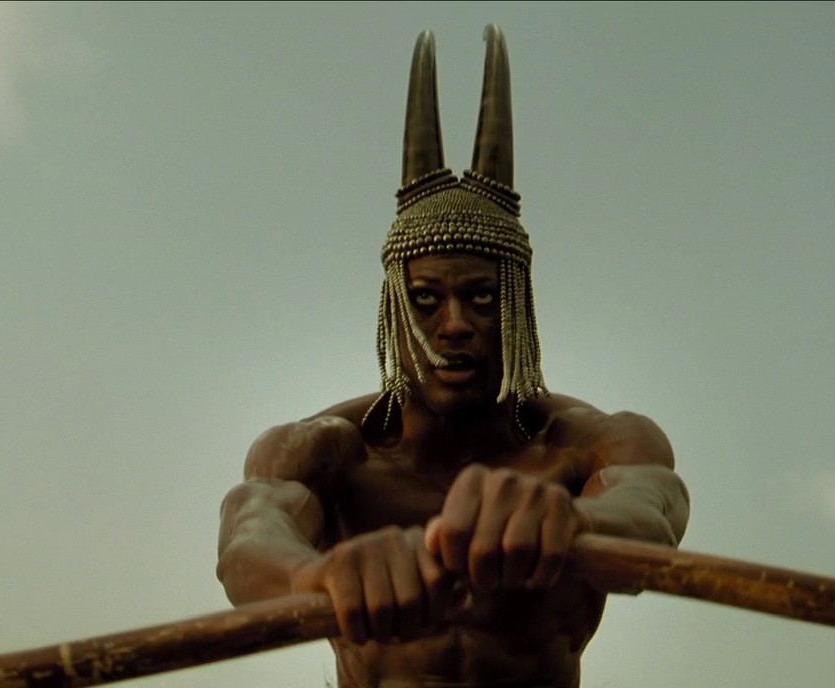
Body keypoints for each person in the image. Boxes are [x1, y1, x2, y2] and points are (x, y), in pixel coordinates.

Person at [216, 25, 690, 688]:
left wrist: (574, 520)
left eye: (481, 297)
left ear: (518, 307)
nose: (455, 325)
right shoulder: (327, 450)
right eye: (425, 299)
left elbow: (650, 510)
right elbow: (248, 537)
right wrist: (312, 577)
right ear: (393, 311)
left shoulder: (588, 444)